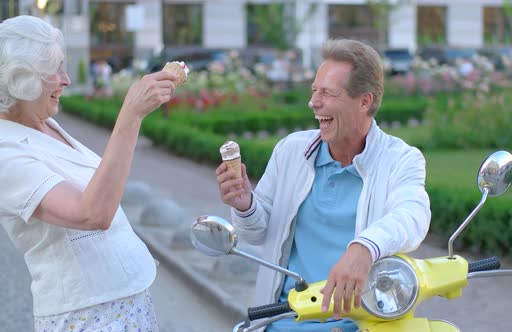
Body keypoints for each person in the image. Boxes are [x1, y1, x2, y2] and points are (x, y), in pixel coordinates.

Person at [216, 39, 431, 331]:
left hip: (358, 325)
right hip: (280, 322)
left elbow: (412, 215)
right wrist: (245, 205)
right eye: (314, 90)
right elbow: (257, 232)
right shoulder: (291, 150)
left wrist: (365, 248)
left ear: (364, 101)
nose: (314, 102)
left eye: (328, 93)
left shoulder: (401, 159)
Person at [0, 16, 177, 331]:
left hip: (124, 302)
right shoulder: (5, 151)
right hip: (86, 316)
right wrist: (131, 115)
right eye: (54, 70)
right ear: (20, 79)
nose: (66, 79)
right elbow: (92, 213)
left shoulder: (42, 122)